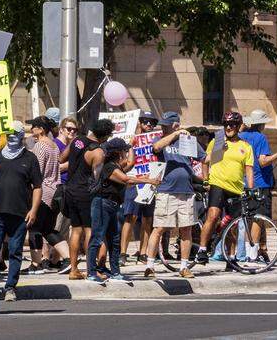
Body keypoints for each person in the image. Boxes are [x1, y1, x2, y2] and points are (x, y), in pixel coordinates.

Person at [85, 138, 160, 283]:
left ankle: (115, 272)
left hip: (112, 205)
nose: (126, 154)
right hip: (102, 204)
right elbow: (127, 180)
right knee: (97, 237)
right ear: (119, 153)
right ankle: (91, 272)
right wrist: (148, 180)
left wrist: (131, 145)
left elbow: (130, 164)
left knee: (114, 239)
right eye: (124, 151)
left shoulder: (116, 166)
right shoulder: (108, 167)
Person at [0, 124, 41, 302]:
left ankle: (10, 288)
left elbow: (37, 186)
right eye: (8, 133)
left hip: (20, 213)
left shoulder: (30, 158)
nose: (12, 136)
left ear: (22, 135)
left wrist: (33, 210)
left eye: (15, 133)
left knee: (15, 251)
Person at [142, 113, 200, 278]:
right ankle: (150, 265)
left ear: (175, 124)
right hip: (166, 190)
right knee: (159, 227)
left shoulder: (188, 142)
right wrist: (175, 134)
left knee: (186, 229)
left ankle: (184, 266)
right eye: (162, 125)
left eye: (166, 125)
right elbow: (156, 148)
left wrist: (218, 150)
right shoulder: (162, 140)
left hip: (186, 191)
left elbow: (204, 157)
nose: (162, 127)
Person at [196, 112, 255, 266]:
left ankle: (231, 256)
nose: (229, 127)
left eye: (232, 125)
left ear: (238, 126)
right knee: (213, 215)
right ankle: (202, 250)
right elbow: (204, 162)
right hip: (218, 184)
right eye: (226, 125)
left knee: (232, 226)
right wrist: (206, 181)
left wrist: (251, 189)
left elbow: (249, 170)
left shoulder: (246, 147)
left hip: (236, 189)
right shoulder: (218, 141)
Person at [61, 118, 112, 280]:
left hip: (69, 189)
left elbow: (62, 158)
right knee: (90, 230)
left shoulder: (77, 140)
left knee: (75, 230)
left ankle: (74, 269)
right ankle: (92, 269)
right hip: (85, 192)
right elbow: (97, 177)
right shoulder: (98, 152)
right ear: (104, 137)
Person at [239, 109, 277, 261]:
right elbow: (263, 161)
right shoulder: (260, 138)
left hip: (243, 182)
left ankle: (249, 251)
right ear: (261, 124)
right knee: (258, 218)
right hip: (260, 183)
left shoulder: (241, 137)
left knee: (247, 218)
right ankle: (253, 253)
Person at [24, 114, 64, 274]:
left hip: (43, 192)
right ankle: (68, 258)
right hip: (55, 190)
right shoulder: (53, 145)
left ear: (40, 129)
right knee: (48, 229)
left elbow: (37, 171)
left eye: (33, 126)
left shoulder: (40, 146)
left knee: (34, 228)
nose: (31, 129)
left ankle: (36, 264)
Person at [119, 111, 158, 264]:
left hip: (151, 182)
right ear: (140, 123)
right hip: (135, 181)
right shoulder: (132, 140)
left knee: (148, 219)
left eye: (152, 123)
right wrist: (130, 145)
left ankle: (143, 253)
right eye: (146, 122)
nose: (149, 125)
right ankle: (123, 252)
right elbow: (124, 164)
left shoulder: (156, 140)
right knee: (131, 217)